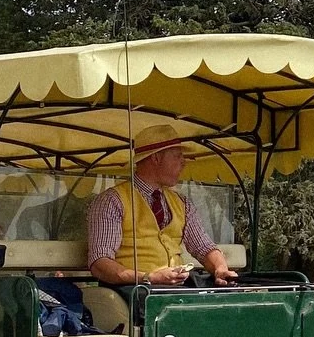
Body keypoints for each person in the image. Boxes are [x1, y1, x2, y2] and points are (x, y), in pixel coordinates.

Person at [87, 122, 238, 290]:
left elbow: (203, 247)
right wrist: (149, 277)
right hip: (133, 289)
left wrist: (220, 269)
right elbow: (99, 263)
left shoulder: (182, 203)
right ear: (156, 158)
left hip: (175, 289)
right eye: (177, 156)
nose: (184, 162)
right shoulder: (112, 201)